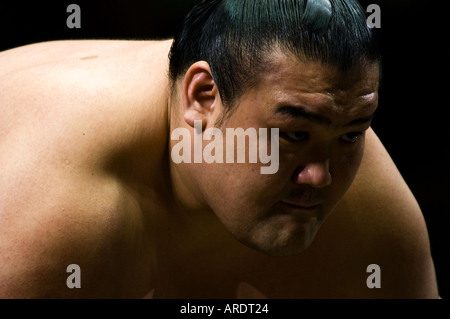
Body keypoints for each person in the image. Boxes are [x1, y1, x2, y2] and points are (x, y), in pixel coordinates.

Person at [0, 0, 440, 298]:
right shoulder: (47, 217)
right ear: (204, 97)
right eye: (293, 135)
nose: (320, 175)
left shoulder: (375, 218)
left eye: (351, 134)